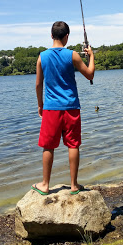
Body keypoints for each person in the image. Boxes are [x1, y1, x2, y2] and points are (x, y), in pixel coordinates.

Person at [33, 21, 95, 195]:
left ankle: (45, 185)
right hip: (71, 107)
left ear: (51, 36)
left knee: (48, 146)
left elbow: (38, 84)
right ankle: (74, 185)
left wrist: (40, 105)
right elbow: (89, 74)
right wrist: (91, 56)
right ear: (67, 36)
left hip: (51, 108)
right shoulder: (73, 55)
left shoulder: (42, 57)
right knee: (73, 145)